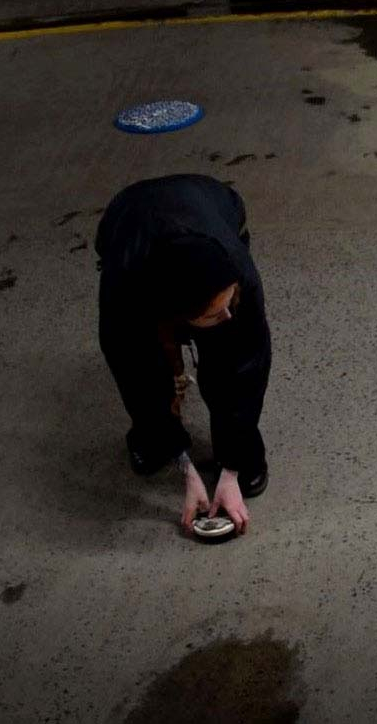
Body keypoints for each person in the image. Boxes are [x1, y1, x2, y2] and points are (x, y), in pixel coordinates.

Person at [96, 174, 271, 535]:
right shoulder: (124, 291)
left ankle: (239, 451)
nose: (225, 317)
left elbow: (248, 369)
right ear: (179, 318)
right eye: (211, 314)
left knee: (228, 357)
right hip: (128, 218)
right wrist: (185, 467)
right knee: (148, 377)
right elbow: (136, 378)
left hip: (209, 199)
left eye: (227, 305)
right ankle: (153, 440)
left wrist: (232, 470)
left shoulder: (239, 278)